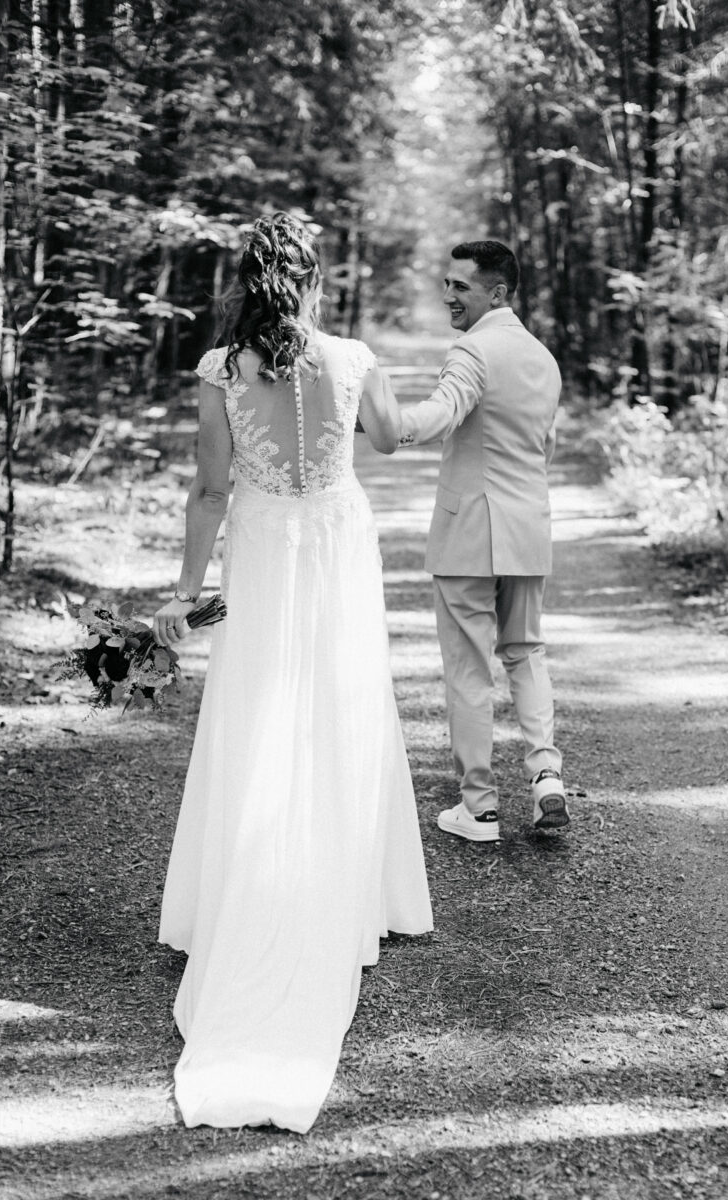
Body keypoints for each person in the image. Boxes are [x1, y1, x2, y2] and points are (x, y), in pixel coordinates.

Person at [152, 212, 432, 1134]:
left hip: (267, 548)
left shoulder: (223, 371)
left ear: (247, 280)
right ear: (313, 279)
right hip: (338, 544)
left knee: (260, 708)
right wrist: (460, 394)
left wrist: (186, 593)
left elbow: (210, 488)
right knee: (343, 702)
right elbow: (392, 438)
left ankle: (244, 893)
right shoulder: (352, 359)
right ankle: (352, 891)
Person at [396, 239, 568, 842]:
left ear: (496, 292)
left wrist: (379, 422)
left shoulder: (473, 349)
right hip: (527, 529)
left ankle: (481, 809)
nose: (448, 297)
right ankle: (546, 773)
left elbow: (442, 412)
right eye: (446, 284)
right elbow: (544, 448)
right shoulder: (544, 359)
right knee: (526, 651)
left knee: (468, 668)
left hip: (470, 533)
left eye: (460, 287)